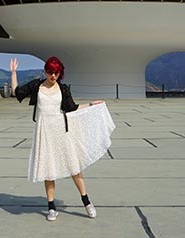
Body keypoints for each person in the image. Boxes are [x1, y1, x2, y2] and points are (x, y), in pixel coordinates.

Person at [11, 56, 115, 222]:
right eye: (50, 72)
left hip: (62, 131)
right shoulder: (36, 86)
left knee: (74, 168)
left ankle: (87, 202)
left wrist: (90, 104)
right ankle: (51, 207)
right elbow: (16, 93)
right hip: (44, 132)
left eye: (56, 72)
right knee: (48, 170)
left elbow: (72, 108)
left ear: (60, 73)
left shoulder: (63, 89)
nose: (53, 75)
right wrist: (13, 73)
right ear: (45, 71)